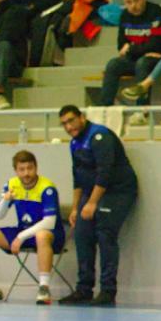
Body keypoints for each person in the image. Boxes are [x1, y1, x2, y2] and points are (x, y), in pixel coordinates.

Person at [57, 104, 138, 306]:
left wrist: (92, 203)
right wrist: (76, 208)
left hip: (117, 191)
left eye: (71, 120)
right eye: (64, 124)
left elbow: (105, 172)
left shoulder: (99, 136)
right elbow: (78, 177)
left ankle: (108, 291)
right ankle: (84, 289)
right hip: (92, 190)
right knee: (82, 233)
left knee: (104, 233)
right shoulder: (75, 143)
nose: (68, 127)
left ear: (81, 117)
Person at [0, 150, 65, 305]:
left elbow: (49, 222)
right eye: (22, 169)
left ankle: (44, 289)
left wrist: (21, 237)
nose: (26, 173)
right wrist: (5, 201)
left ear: (36, 168)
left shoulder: (47, 188)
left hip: (51, 235)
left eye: (30, 168)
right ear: (16, 171)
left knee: (42, 235)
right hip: (23, 230)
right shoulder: (12, 185)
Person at [99, 0, 161, 113]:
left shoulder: (157, 13)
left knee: (142, 63)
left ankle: (141, 111)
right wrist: (139, 49)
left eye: (136, 0)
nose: (133, 5)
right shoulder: (124, 16)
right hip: (136, 59)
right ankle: (105, 110)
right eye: (129, 2)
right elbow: (121, 45)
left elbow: (157, 45)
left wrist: (131, 48)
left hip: (159, 59)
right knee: (113, 65)